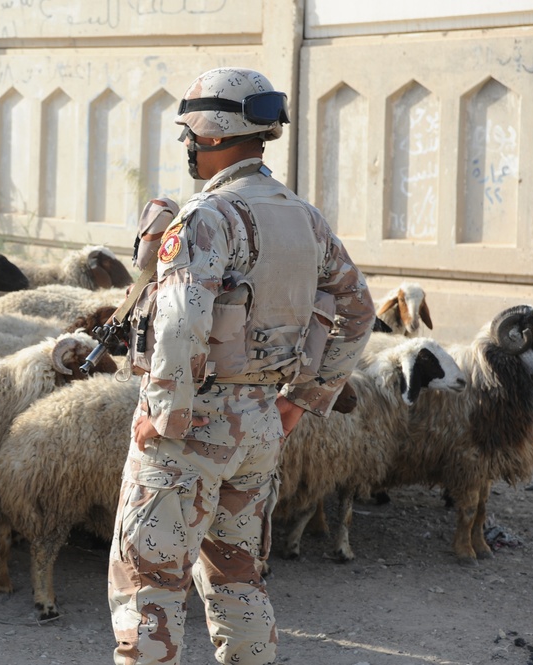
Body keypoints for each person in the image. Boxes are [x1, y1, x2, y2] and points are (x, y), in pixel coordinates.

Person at [107, 67, 375, 665]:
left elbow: (179, 322)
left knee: (149, 584)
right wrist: (302, 399)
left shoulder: (207, 217)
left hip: (191, 426)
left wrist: (163, 415)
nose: (186, 149)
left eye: (190, 136)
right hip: (259, 424)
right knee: (237, 577)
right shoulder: (305, 218)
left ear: (214, 132)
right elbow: (359, 310)